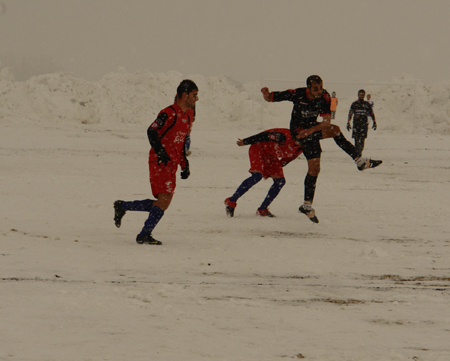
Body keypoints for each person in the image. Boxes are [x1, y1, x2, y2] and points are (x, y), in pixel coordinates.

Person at [261, 75, 382, 223]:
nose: (319, 91)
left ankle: (306, 205)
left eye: (320, 87)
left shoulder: (324, 97)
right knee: (335, 130)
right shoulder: (297, 93)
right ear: (308, 88)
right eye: (315, 88)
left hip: (311, 132)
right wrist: (266, 94)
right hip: (299, 133)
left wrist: (310, 131)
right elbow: (272, 98)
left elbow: (326, 121)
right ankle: (359, 160)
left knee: (315, 169)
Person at [113, 79, 199, 245]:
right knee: (163, 201)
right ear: (185, 95)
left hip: (172, 162)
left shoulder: (188, 115)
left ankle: (123, 206)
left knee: (164, 202)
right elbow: (151, 131)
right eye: (194, 95)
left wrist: (184, 163)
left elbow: (181, 142)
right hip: (160, 161)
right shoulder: (168, 112)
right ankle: (144, 234)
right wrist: (161, 152)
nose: (197, 99)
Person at [224, 128, 303, 218]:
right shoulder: (284, 136)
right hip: (259, 148)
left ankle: (262, 209)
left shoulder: (302, 147)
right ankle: (231, 201)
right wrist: (245, 141)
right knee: (257, 176)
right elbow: (263, 136)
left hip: (271, 156)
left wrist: (277, 167)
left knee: (280, 181)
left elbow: (289, 158)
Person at [347, 89, 377, 157]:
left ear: (364, 96)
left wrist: (374, 122)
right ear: (358, 95)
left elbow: (371, 113)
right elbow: (350, 114)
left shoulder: (366, 104)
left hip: (364, 124)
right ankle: (357, 153)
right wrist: (348, 123)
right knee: (356, 140)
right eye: (360, 95)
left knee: (362, 139)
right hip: (356, 124)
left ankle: (359, 152)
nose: (361, 96)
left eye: (362, 95)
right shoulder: (354, 104)